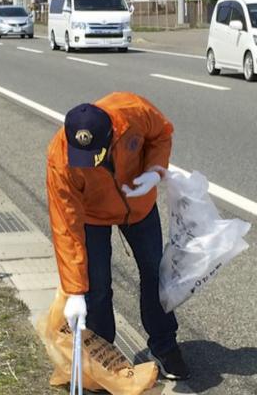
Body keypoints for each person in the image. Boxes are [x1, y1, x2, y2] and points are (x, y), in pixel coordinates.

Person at [46, 92, 190, 381]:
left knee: (155, 272)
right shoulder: (61, 158)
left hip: (138, 204)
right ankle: (104, 358)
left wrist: (154, 171)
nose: (90, 164)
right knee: (96, 287)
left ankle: (163, 345)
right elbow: (66, 227)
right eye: (83, 158)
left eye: (96, 156)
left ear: (113, 134)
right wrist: (74, 291)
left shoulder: (133, 111)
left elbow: (162, 134)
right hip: (92, 215)